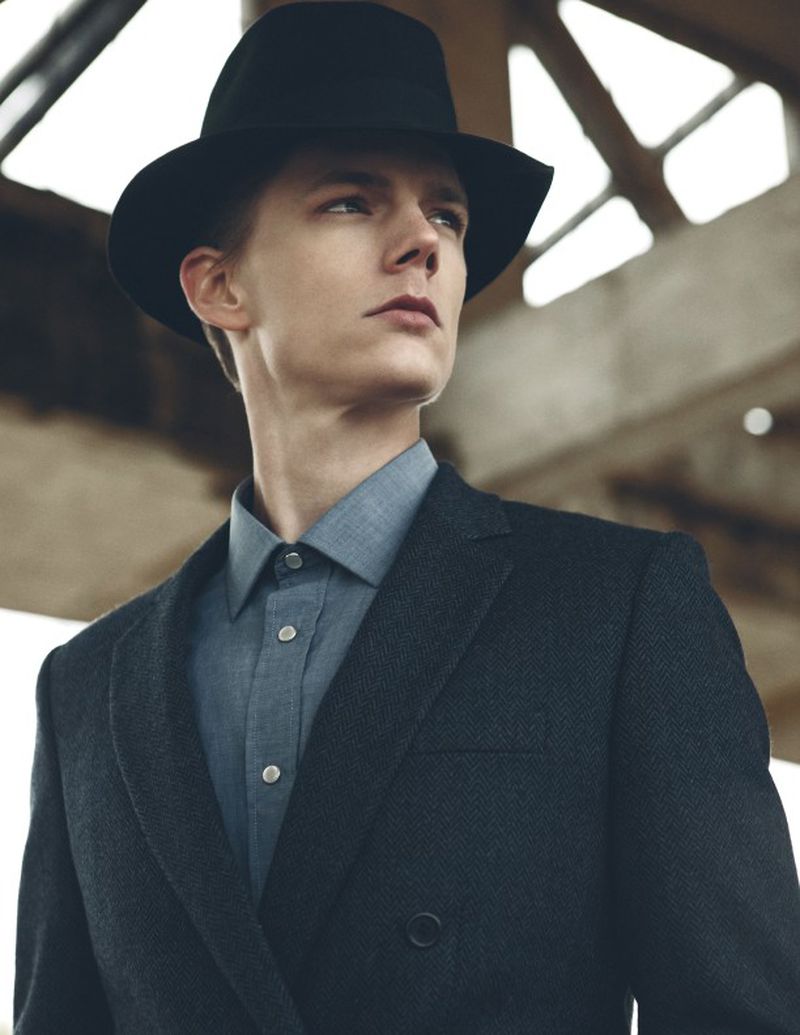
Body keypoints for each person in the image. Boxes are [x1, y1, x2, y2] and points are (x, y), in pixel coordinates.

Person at [14, 3, 800, 1033]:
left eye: (449, 217)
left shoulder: (619, 607)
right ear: (220, 285)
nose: (422, 242)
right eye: (351, 201)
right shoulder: (88, 688)